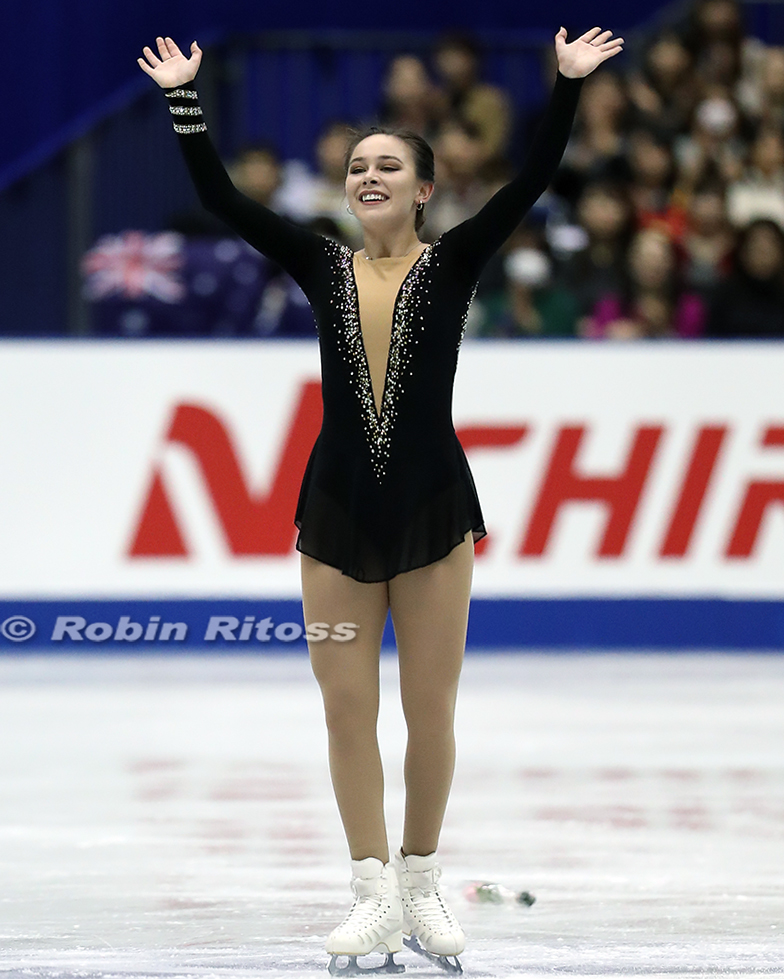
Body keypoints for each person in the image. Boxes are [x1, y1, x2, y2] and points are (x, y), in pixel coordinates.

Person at [138, 24, 623, 976]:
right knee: (345, 709)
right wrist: (184, 99)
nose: (369, 175)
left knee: (429, 712)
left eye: (388, 165)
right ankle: (370, 890)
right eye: (359, 165)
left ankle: (421, 876)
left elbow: (531, 180)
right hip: (336, 516)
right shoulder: (322, 263)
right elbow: (221, 198)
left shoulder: (455, 261)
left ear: (424, 189)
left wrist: (566, 85)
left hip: (435, 513)